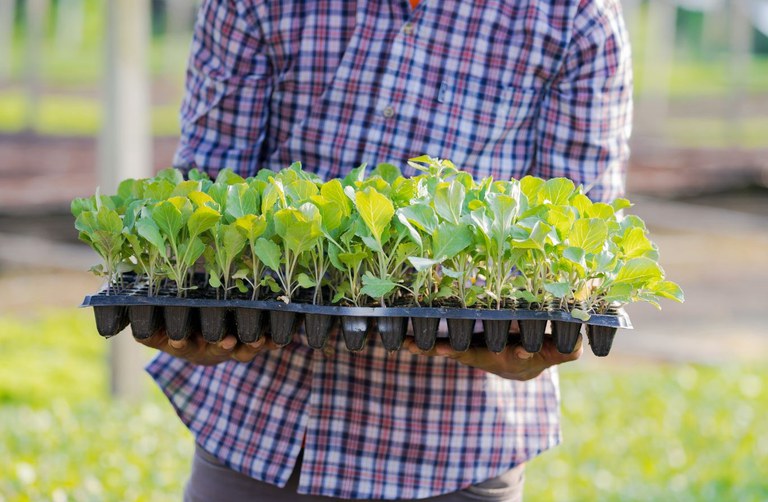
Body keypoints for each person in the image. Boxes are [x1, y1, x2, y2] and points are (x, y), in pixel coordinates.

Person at [139, 0, 632, 499]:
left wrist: (539, 337)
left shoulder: (575, 15)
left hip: (457, 447)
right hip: (263, 431)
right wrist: (194, 312)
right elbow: (209, 191)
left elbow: (578, 230)